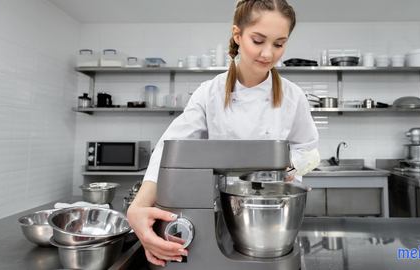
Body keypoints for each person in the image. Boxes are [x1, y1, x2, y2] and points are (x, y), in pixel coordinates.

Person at [127, 0, 319, 266]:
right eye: (258, 40)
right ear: (237, 35)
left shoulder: (293, 96)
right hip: (219, 212)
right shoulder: (210, 93)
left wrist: (289, 167)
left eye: (278, 44)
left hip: (270, 220)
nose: (267, 53)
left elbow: (307, 148)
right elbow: (170, 151)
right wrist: (137, 207)